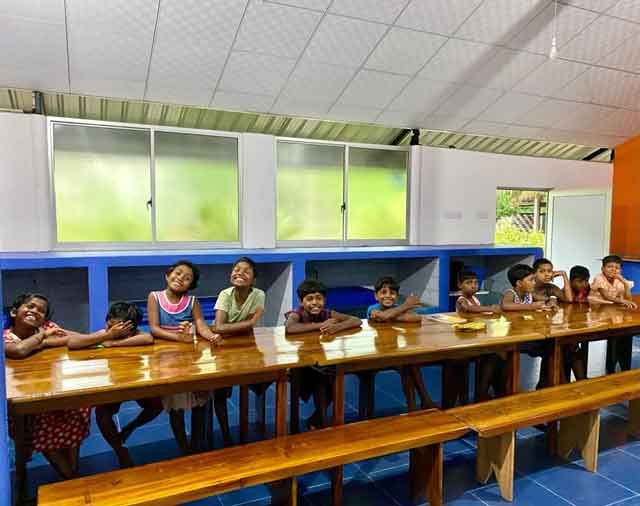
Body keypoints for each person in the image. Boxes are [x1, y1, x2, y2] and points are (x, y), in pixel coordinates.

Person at [3, 293, 91, 479]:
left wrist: (42, 341)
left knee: (79, 405)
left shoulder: (48, 328)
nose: (34, 311)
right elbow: (19, 350)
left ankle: (73, 474)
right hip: (27, 401)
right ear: (13, 312)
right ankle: (71, 478)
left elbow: (69, 338)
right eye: (30, 306)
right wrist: (43, 336)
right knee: (40, 424)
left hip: (54, 391)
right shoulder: (6, 337)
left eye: (41, 311)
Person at [67, 301, 161, 468]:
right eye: (110, 323)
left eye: (119, 327)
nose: (113, 329)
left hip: (135, 382)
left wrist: (115, 343)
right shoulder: (104, 334)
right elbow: (73, 343)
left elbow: (148, 338)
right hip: (112, 384)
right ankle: (120, 451)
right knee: (102, 415)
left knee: (156, 406)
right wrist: (107, 336)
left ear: (130, 327)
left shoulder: (137, 336)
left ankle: (129, 428)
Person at [147, 260, 219, 455]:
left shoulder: (192, 301)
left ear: (191, 285)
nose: (181, 279)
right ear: (168, 274)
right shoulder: (155, 297)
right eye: (178, 273)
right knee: (175, 406)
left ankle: (196, 444)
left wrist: (210, 336)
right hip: (166, 358)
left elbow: (201, 324)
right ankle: (183, 447)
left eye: (187, 278)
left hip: (190, 357)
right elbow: (154, 328)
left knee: (199, 400)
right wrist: (180, 338)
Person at [285, 279, 361, 429]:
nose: (315, 303)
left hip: (323, 362)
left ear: (324, 300)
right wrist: (322, 325)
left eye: (319, 298)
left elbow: (356, 320)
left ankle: (317, 420)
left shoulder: (328, 313)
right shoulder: (297, 314)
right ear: (301, 301)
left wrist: (337, 328)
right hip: (302, 364)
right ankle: (318, 422)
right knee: (321, 382)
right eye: (309, 299)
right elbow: (290, 328)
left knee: (331, 386)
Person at [211, 257, 266, 445]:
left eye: (246, 271)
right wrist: (249, 323)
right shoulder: (225, 294)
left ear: (253, 279)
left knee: (260, 380)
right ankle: (226, 434)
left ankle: (258, 422)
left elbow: (233, 328)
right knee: (220, 391)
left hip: (246, 344)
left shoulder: (258, 294)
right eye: (236, 269)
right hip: (223, 345)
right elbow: (218, 327)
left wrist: (240, 326)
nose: (239, 273)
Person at [365, 276, 435, 413]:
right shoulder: (372, 308)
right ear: (376, 296)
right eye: (383, 292)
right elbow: (381, 316)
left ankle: (415, 405)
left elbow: (416, 318)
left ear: (397, 296)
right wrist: (406, 306)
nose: (388, 296)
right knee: (408, 363)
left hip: (395, 352)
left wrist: (394, 314)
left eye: (392, 293)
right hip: (378, 354)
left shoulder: (398, 308)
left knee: (410, 363)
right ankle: (423, 401)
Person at [454, 271, 501, 404]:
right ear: (460, 285)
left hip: (475, 334)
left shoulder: (475, 299)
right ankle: (481, 392)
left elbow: (478, 312)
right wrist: (490, 308)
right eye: (469, 283)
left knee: (496, 356)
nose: (474, 286)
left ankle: (484, 390)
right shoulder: (462, 300)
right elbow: (469, 309)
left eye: (476, 283)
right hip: (464, 337)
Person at [591, 255, 637, 373]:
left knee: (626, 333)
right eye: (610, 266)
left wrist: (625, 284)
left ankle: (624, 366)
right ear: (602, 269)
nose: (613, 270)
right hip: (597, 311)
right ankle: (610, 367)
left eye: (617, 268)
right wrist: (623, 301)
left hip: (613, 311)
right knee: (614, 335)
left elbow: (629, 297)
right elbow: (606, 296)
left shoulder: (619, 280)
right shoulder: (599, 278)